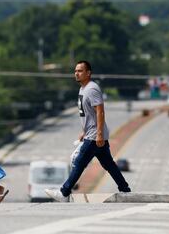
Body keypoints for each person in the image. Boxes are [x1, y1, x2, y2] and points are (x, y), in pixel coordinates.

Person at [45, 60, 131, 202]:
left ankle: (64, 192)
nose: (76, 73)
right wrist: (84, 132)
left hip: (95, 136)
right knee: (109, 164)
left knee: (79, 163)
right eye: (75, 71)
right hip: (91, 134)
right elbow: (88, 114)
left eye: (80, 71)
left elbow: (100, 111)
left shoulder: (92, 89)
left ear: (88, 73)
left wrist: (98, 134)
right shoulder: (83, 89)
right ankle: (125, 189)